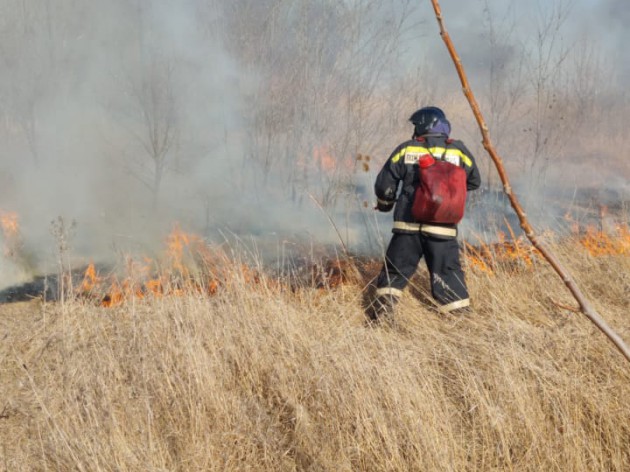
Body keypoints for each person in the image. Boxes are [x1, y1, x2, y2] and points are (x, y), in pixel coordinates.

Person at [371, 106, 481, 319]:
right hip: (443, 229)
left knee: (395, 271)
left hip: (407, 228)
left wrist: (386, 204)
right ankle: (460, 322)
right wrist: (447, 192)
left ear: (423, 125)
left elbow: (385, 185)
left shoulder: (407, 149)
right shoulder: (459, 151)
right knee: (448, 274)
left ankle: (383, 317)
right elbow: (475, 181)